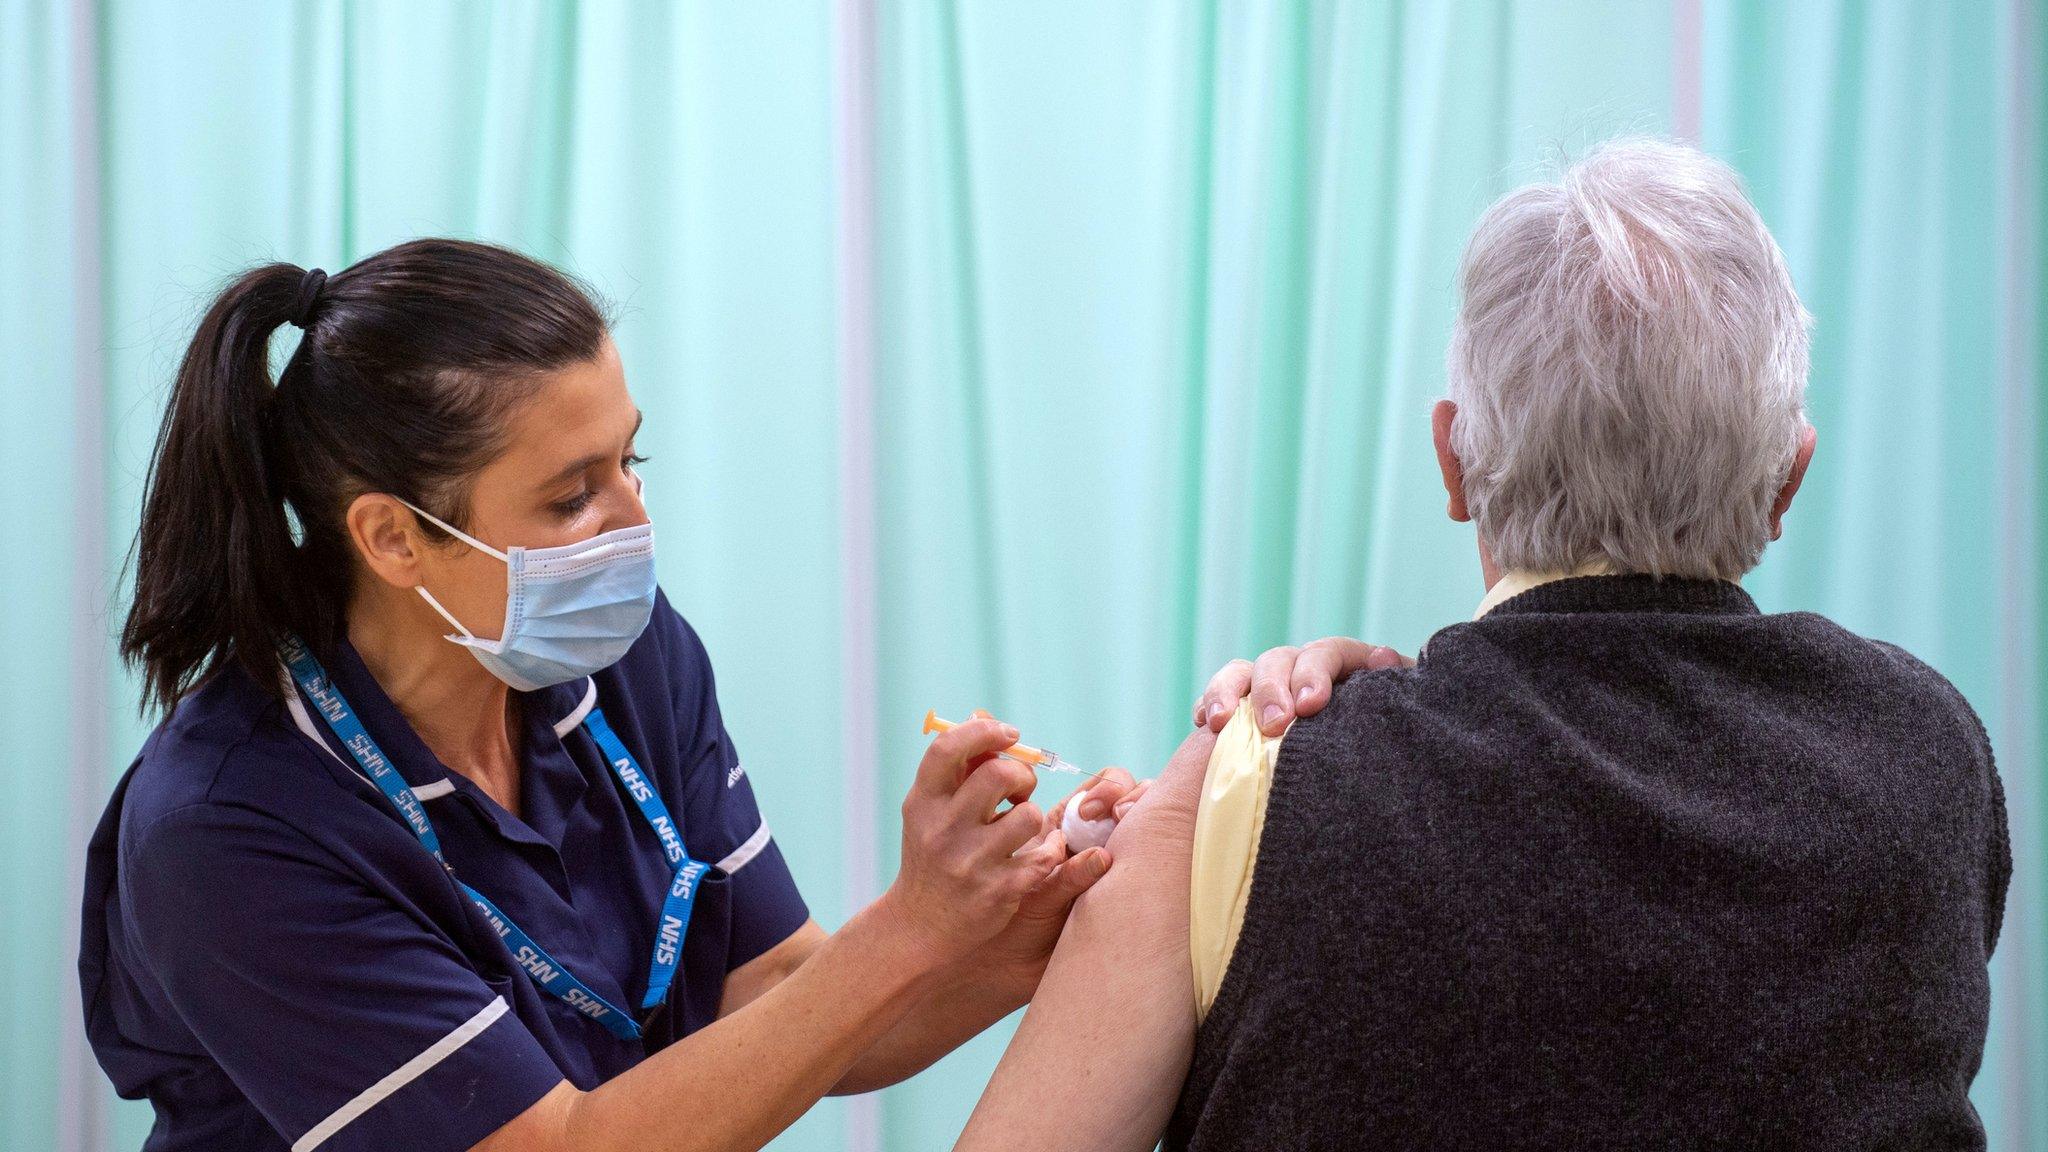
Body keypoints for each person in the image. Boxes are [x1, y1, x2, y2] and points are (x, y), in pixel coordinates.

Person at [957, 137, 2012, 1151]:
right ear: (1788, 478)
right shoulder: (1931, 755)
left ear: (1450, 463)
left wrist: (1233, 800)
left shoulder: (1244, 793)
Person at [78, 238, 1154, 1152]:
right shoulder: (230, 825)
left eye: (628, 462)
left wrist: (1036, 907)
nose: (634, 524)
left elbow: (777, 996)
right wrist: (914, 930)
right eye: (571, 495)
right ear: (393, 536)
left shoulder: (615, 662)